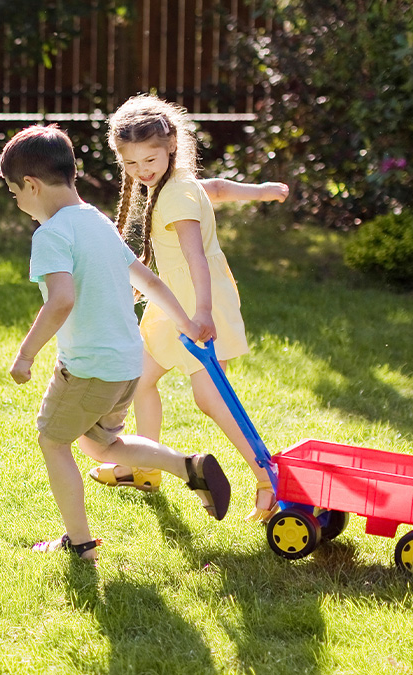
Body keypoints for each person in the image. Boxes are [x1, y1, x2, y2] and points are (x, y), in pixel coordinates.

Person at [0, 124, 232, 563]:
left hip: (87, 368)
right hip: (126, 364)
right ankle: (189, 467)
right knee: (100, 445)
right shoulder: (97, 221)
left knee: (53, 441)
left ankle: (81, 543)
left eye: (15, 194)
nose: (19, 205)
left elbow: (61, 300)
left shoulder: (50, 234)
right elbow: (147, 280)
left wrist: (25, 354)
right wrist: (185, 322)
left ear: (30, 185)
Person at [86, 93, 285, 523]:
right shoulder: (177, 182)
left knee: (212, 400)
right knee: (139, 379)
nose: (143, 170)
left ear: (171, 144)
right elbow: (215, 188)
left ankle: (269, 479)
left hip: (197, 305)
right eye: (133, 163)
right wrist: (263, 192)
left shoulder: (173, 195)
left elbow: (195, 257)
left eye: (150, 159)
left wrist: (205, 314)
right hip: (174, 303)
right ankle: (141, 468)